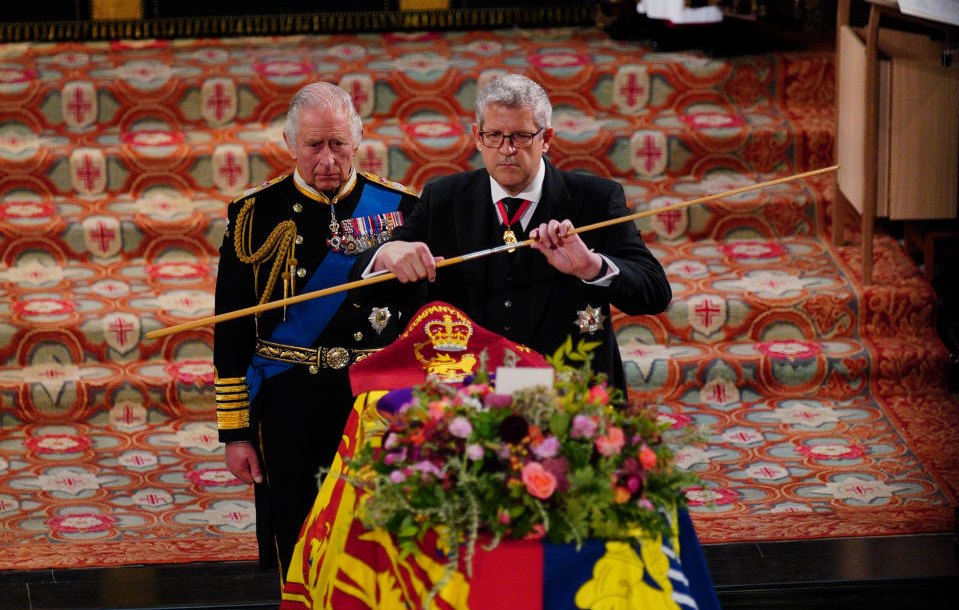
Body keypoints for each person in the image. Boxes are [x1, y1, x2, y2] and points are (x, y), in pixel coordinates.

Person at [213, 81, 418, 578]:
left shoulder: (402, 211)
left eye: (338, 144)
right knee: (298, 528)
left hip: (374, 399)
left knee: (377, 533)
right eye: (313, 146)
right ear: (290, 145)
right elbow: (232, 331)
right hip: (289, 398)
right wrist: (235, 432)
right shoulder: (253, 216)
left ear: (358, 140)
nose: (327, 159)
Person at [360, 73, 671, 391]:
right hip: (468, 393)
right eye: (494, 135)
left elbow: (656, 293)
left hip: (568, 394)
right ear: (477, 137)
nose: (507, 149)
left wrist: (591, 266)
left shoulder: (596, 199)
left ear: (546, 138)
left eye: (521, 136)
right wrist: (387, 253)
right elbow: (376, 277)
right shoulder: (443, 198)